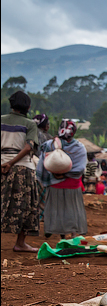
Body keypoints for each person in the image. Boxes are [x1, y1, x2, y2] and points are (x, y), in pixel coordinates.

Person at [2, 92, 42, 252]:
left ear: (11, 105)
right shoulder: (30, 124)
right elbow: (28, 147)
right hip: (21, 168)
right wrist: (11, 163)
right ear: (28, 107)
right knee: (26, 205)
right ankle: (20, 243)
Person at [36, 120, 88, 240]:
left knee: (55, 208)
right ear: (74, 132)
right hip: (72, 184)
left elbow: (43, 164)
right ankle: (73, 233)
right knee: (72, 208)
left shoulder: (49, 144)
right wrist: (67, 174)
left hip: (54, 183)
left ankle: (57, 233)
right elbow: (80, 168)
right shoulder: (79, 147)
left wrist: (55, 173)